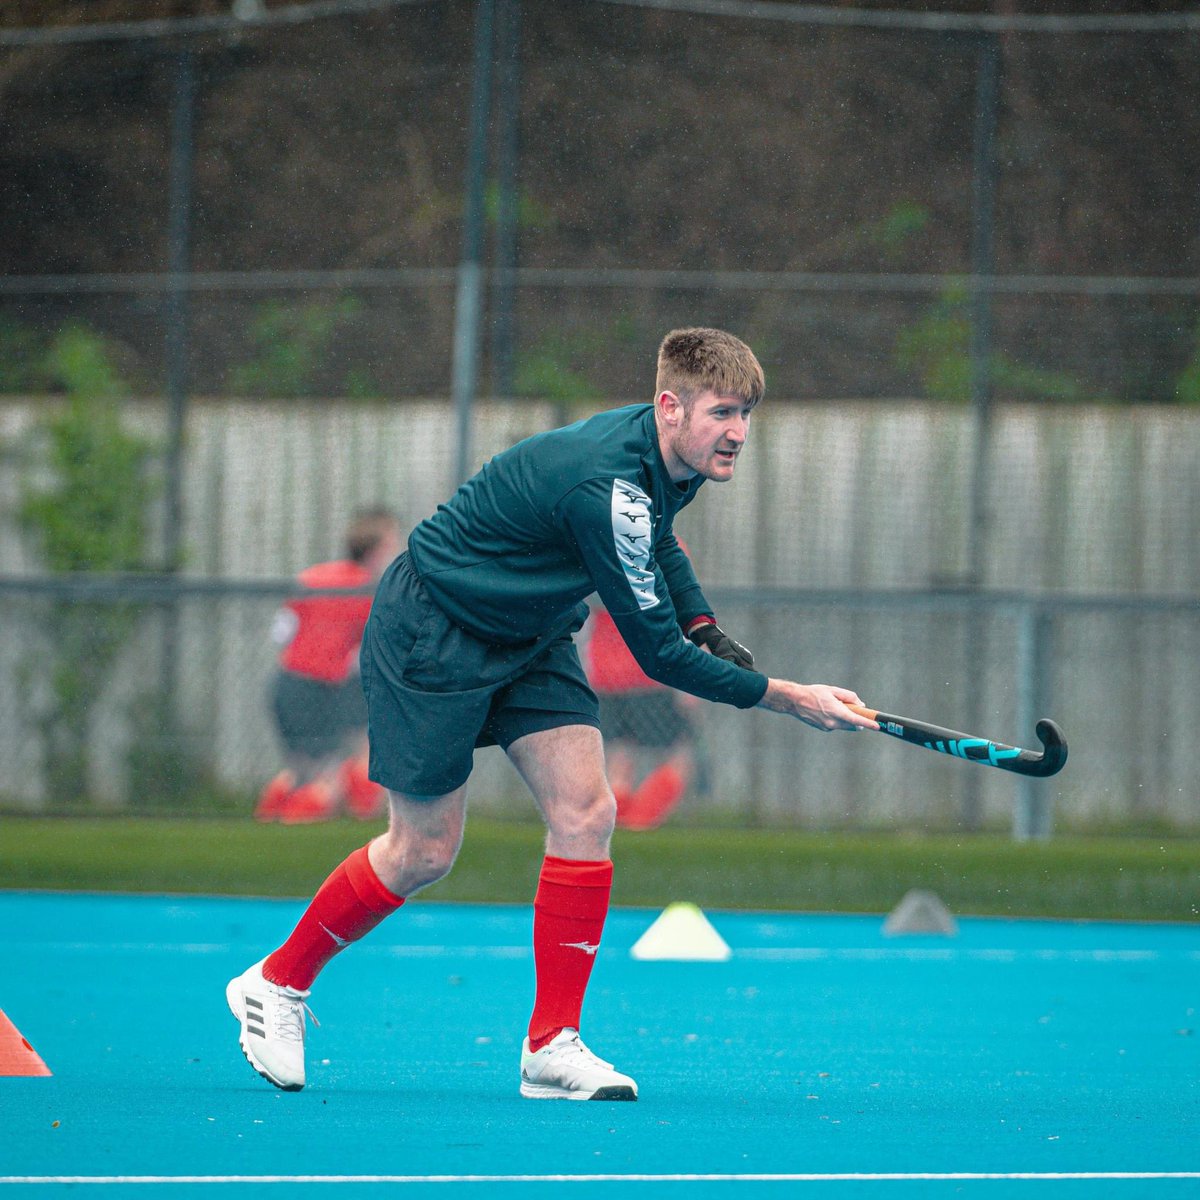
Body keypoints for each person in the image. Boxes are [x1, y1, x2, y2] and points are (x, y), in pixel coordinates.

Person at [226, 327, 878, 1100]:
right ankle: (277, 982)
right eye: (724, 413)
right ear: (670, 407)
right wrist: (788, 696)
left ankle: (550, 1045)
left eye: (747, 415)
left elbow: (662, 545)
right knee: (424, 851)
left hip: (529, 636)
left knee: (586, 811)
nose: (738, 432)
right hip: (435, 630)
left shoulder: (669, 456)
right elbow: (658, 654)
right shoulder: (605, 487)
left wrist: (707, 626)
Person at [254, 507, 403, 824]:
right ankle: (305, 824)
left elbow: (281, 631)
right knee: (331, 776)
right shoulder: (370, 591)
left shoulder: (312, 577)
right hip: (322, 688)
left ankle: (267, 823)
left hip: (286, 684)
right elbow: (370, 653)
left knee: (298, 769)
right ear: (376, 551)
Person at [584, 592, 702, 832]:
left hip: (605, 671)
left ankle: (618, 826)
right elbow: (683, 606)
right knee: (679, 757)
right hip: (648, 672)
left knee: (620, 754)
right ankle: (639, 824)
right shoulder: (664, 552)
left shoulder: (592, 554)